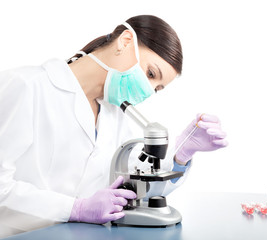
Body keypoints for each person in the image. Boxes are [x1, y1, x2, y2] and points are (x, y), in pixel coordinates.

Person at [0, 15, 228, 228]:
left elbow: (136, 188)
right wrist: (75, 209)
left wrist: (181, 155)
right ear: (126, 42)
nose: (148, 91)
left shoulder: (115, 116)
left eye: (156, 89)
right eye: (150, 74)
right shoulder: (27, 86)